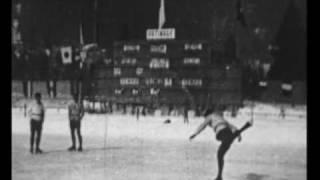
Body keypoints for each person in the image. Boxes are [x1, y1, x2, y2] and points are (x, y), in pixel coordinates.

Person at [189, 105, 252, 180]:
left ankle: (219, 176)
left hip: (221, 133)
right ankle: (219, 176)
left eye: (204, 116)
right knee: (220, 154)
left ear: (207, 114)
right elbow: (231, 126)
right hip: (229, 133)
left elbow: (202, 125)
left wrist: (195, 134)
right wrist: (238, 134)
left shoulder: (209, 117)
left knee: (220, 153)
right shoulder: (221, 118)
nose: (204, 118)